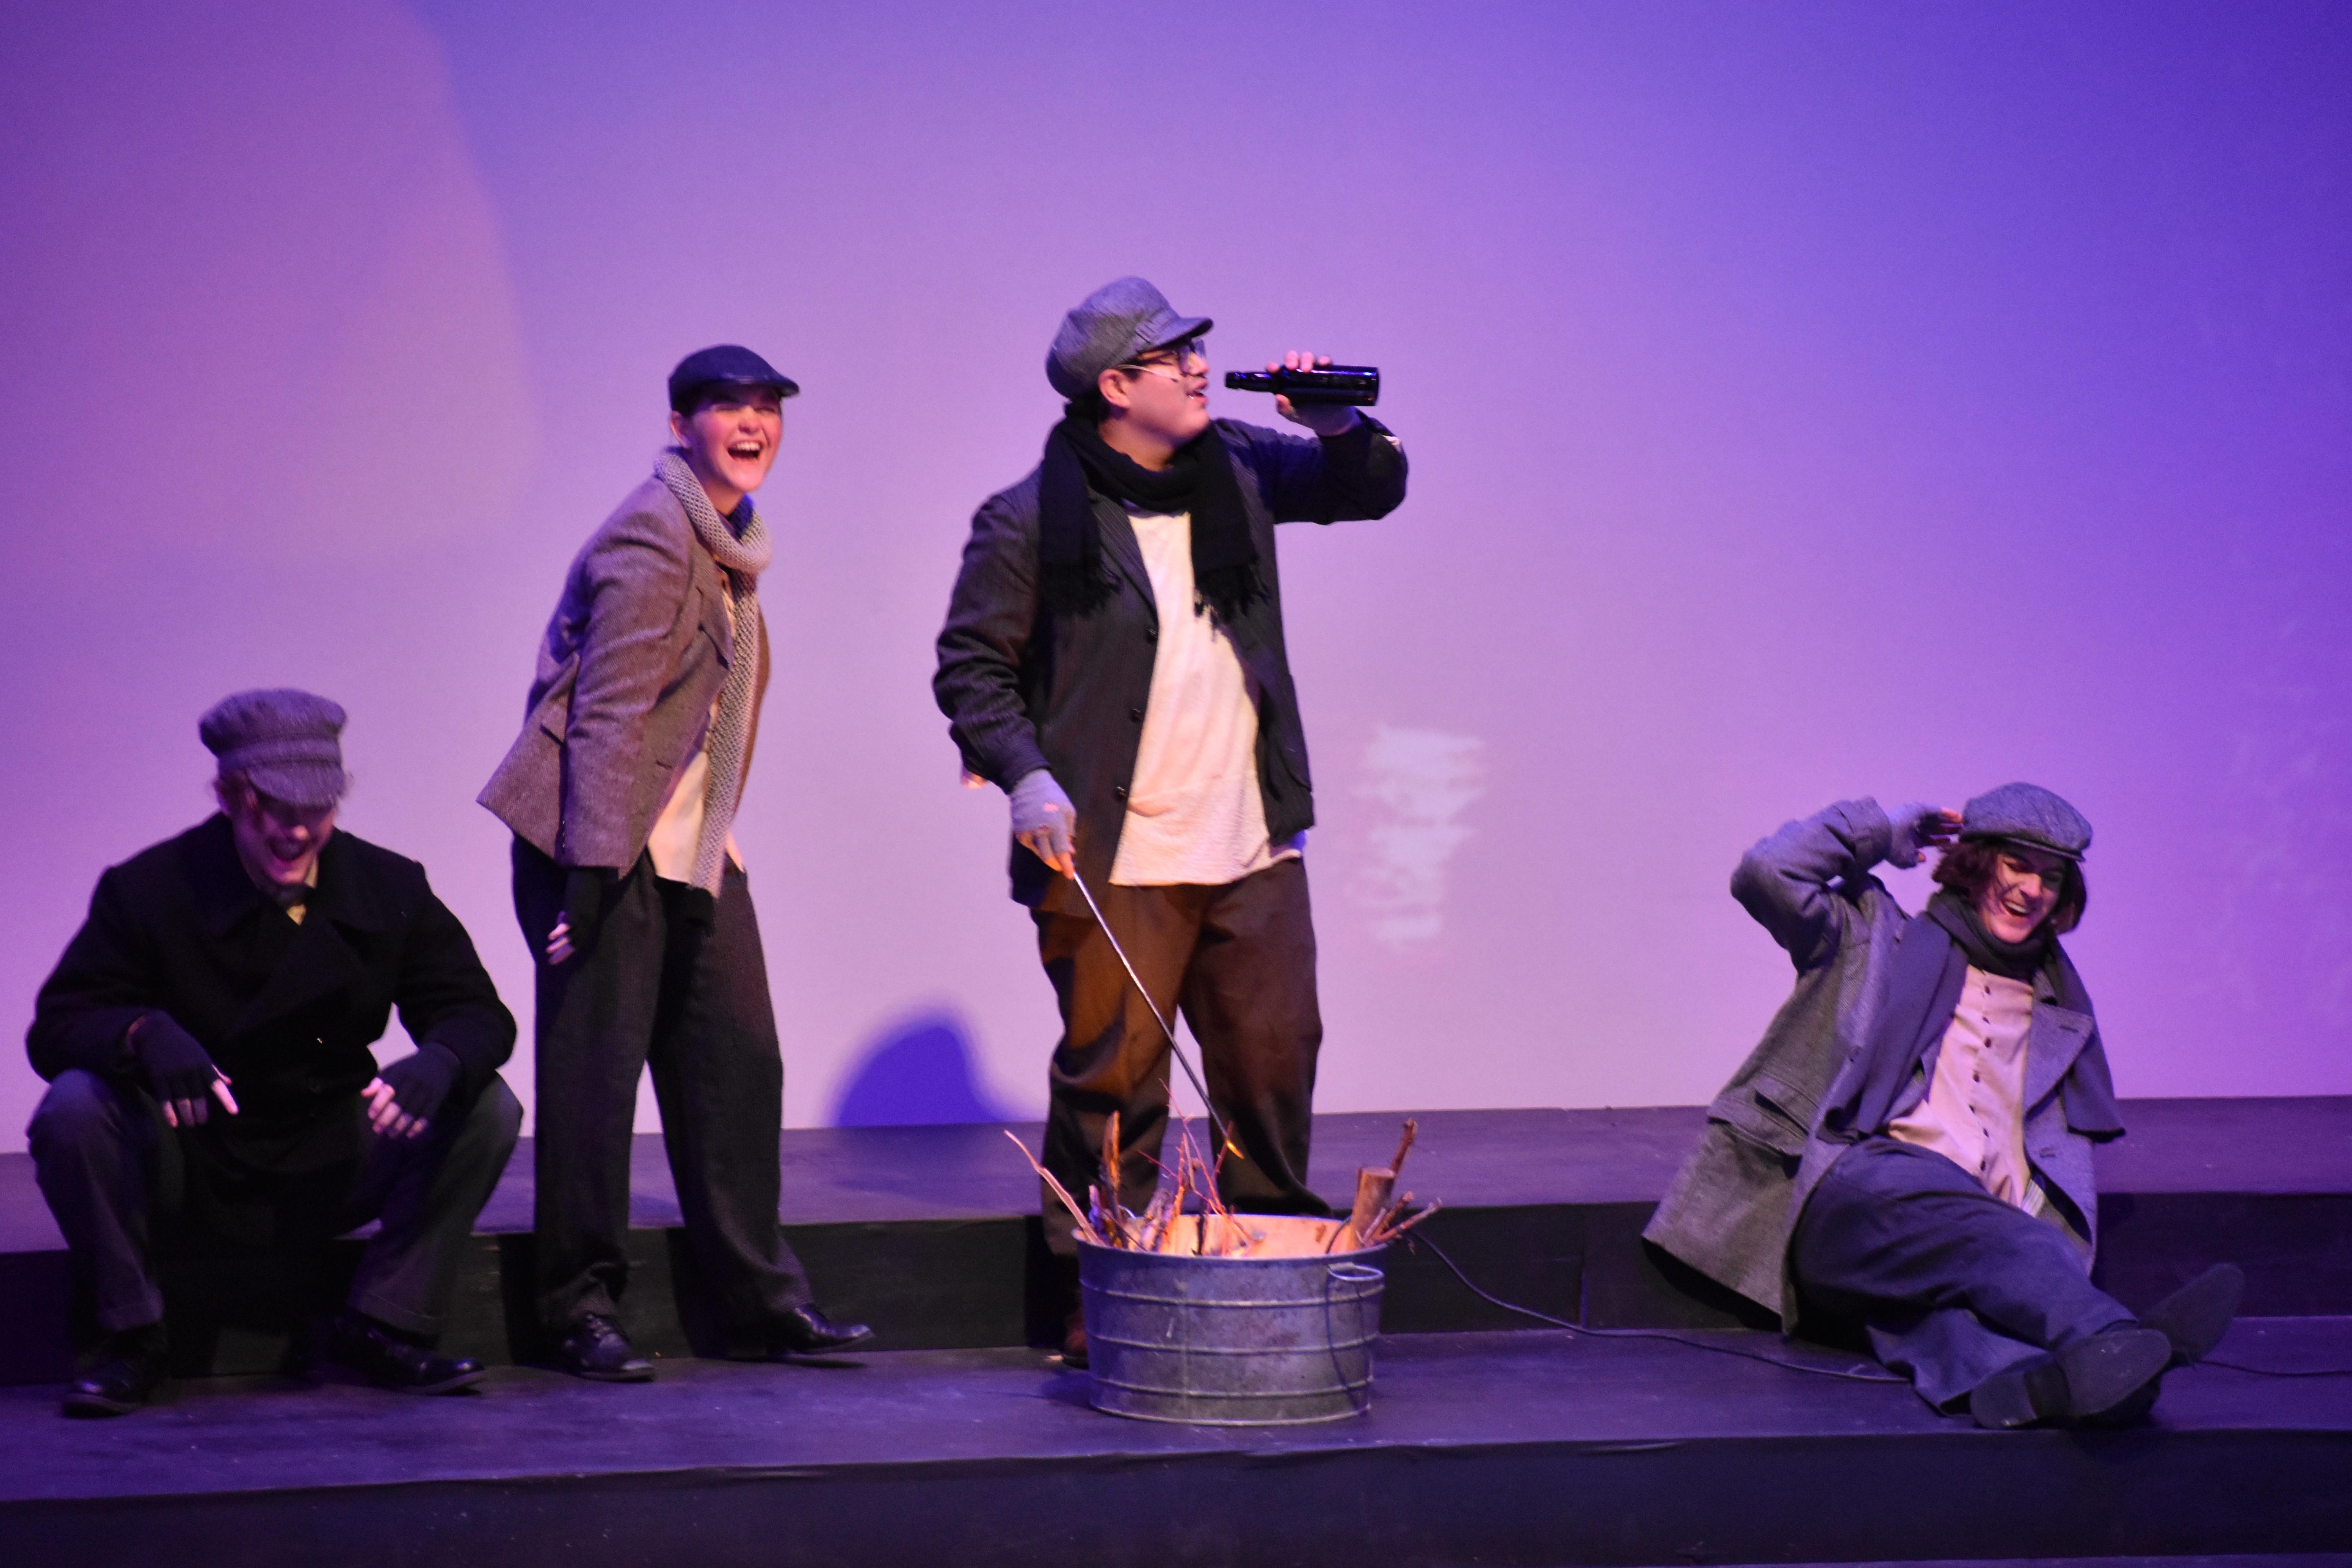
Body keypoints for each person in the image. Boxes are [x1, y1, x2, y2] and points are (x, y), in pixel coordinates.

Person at [934, 278, 1408, 1364]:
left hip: (1250, 838)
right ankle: (1096, 1289)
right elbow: (972, 667)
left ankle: (1265, 1273)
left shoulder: (1238, 464)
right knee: (1114, 1083)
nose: (1201, 367)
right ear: (1116, 386)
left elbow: (1369, 489)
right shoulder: (1028, 517)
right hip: (1116, 851)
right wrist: (1023, 773)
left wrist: (1336, 423)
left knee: (1272, 1063)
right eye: (1174, 355)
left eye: (1199, 348)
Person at [479, 345, 869, 1382]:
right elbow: (609, 715)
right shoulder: (654, 533)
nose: (753, 423)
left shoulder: (733, 543)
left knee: (739, 1060)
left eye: (768, 407)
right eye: (728, 406)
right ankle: (577, 1309)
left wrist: (709, 826)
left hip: (685, 846)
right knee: (595, 1078)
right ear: (679, 424)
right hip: (597, 846)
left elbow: (699, 714)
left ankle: (758, 1302)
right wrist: (593, 872)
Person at [1644, 786, 2243, 1428]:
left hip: (1956, 1237)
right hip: (1859, 1198)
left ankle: (2043, 1388)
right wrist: (1881, 832)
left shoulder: (2060, 1013)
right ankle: (2113, 1333)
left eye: (2051, 877)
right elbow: (1767, 873)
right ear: (1977, 864)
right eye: (2018, 866)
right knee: (2007, 1237)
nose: (2033, 890)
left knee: (1949, 1318)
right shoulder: (1876, 940)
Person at [27, 690, 521, 1417]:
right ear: (231, 796)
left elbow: (478, 1013)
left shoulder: (388, 885)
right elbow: (58, 1027)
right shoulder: (151, 888)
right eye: (273, 807)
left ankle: (386, 1324)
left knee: (486, 1103)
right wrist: (140, 1032)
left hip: (331, 1155)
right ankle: (132, 1338)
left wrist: (442, 1058)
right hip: (197, 1157)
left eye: (315, 809)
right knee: (72, 1108)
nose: (295, 830)